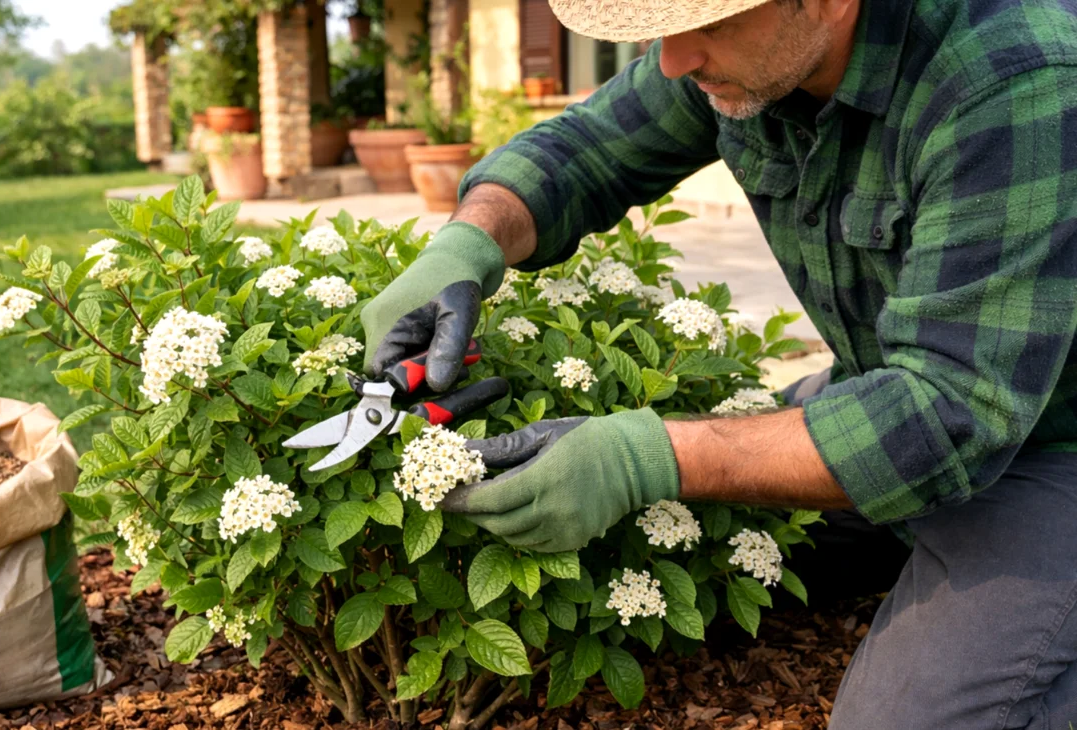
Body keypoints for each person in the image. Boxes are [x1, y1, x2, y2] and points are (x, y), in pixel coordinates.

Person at [358, 0, 1077, 726]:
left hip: (1049, 441)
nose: (672, 59)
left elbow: (948, 415)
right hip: (891, 393)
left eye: (710, 21)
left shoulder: (1014, 77)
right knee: (699, 557)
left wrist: (645, 457)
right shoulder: (750, 54)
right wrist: (465, 247)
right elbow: (581, 151)